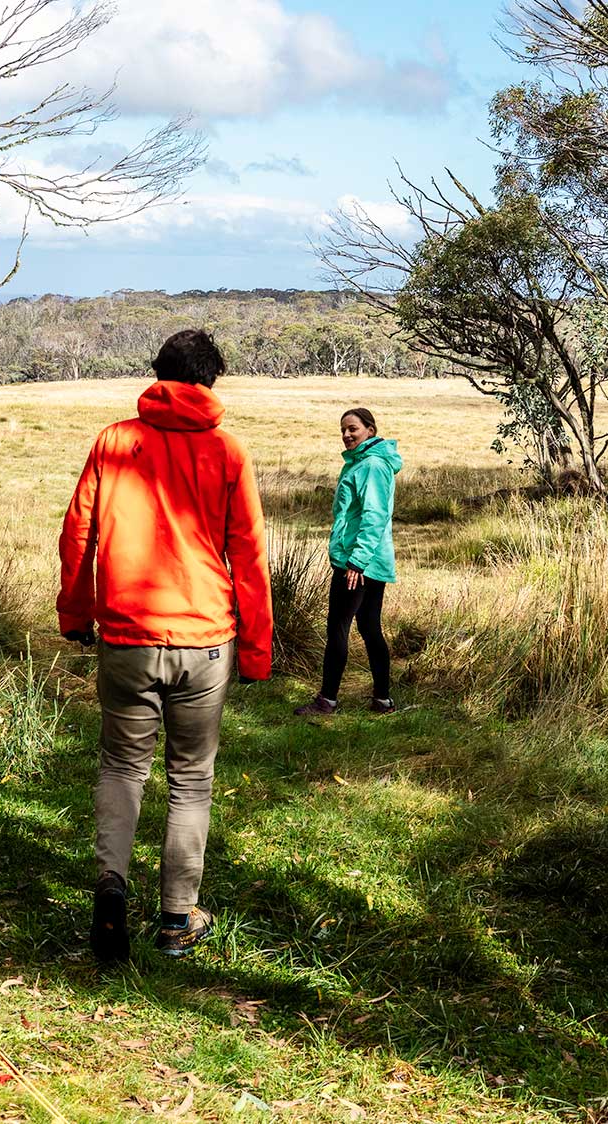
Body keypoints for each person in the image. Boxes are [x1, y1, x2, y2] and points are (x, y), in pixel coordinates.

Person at [57, 329, 273, 965]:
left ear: (158, 373)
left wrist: (77, 612)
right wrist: (257, 649)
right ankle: (177, 919)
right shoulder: (228, 452)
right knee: (191, 779)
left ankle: (110, 893)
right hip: (206, 639)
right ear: (209, 382)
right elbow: (249, 556)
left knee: (122, 767)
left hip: (125, 634)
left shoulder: (114, 441)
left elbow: (77, 535)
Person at [295, 407, 400, 717]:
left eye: (353, 428)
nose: (346, 435)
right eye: (343, 430)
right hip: (368, 560)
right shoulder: (362, 463)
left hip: (358, 562)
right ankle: (382, 699)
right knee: (369, 628)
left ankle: (327, 700)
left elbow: (374, 516)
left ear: (370, 429)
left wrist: (356, 562)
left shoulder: (370, 466)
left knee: (337, 628)